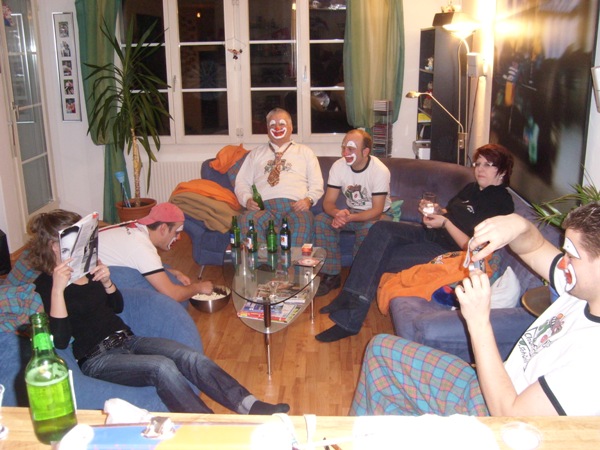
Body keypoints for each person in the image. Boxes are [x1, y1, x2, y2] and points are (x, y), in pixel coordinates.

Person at [27, 209, 290, 415]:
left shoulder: (87, 269)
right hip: (97, 358)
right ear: (55, 245)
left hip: (128, 340)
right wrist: (58, 288)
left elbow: (117, 307)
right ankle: (206, 425)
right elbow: (60, 340)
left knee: (188, 356)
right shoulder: (47, 284)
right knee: (162, 368)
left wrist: (107, 282)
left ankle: (250, 405)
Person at [351, 201, 600, 416]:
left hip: (494, 412)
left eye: (571, 255)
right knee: (380, 350)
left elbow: (510, 416)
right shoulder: (579, 291)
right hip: (490, 382)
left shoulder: (591, 362)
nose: (563, 262)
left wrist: (479, 321)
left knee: (385, 361)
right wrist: (519, 225)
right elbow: (533, 247)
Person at [316, 144, 515, 342]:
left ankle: (349, 320)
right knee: (381, 229)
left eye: (488, 165)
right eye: (478, 164)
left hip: (450, 252)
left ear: (503, 171)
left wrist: (445, 223)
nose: (480, 169)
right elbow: (452, 213)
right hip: (431, 234)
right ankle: (347, 296)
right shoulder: (472, 189)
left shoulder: (501, 202)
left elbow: (473, 246)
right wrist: (437, 211)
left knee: (378, 257)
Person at [314, 129, 392, 296]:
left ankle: (359, 280)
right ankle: (332, 275)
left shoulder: (380, 170)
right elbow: (328, 202)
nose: (345, 153)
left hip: (377, 215)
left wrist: (348, 218)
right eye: (344, 148)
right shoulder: (338, 166)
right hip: (351, 213)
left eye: (351, 149)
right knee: (321, 220)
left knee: (369, 229)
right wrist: (337, 214)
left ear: (365, 151)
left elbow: (377, 210)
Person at [234, 108, 324, 247]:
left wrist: (309, 200)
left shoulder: (305, 152)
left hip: (296, 207)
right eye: (272, 124)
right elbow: (241, 182)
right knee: (247, 219)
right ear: (267, 129)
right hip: (263, 208)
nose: (277, 128)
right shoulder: (256, 153)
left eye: (282, 124)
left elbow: (317, 183)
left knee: (304, 221)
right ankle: (261, 261)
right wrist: (247, 200)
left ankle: (293, 262)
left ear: (291, 127)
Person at [99, 202, 213, 303]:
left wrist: (175, 272)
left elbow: (143, 264)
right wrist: (199, 287)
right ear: (163, 228)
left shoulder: (136, 226)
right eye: (177, 232)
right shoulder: (142, 247)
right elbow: (173, 295)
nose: (179, 238)